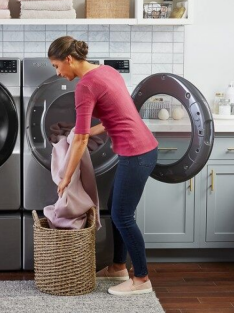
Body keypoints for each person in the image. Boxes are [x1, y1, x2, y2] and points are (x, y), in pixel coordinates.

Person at [48, 36, 158, 296]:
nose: (58, 72)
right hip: (142, 148)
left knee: (122, 215)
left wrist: (65, 176)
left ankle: (142, 279)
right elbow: (115, 118)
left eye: (56, 66)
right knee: (117, 210)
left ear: (69, 59)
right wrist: (79, 132)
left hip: (137, 154)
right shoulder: (107, 71)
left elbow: (82, 139)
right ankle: (119, 266)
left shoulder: (85, 86)